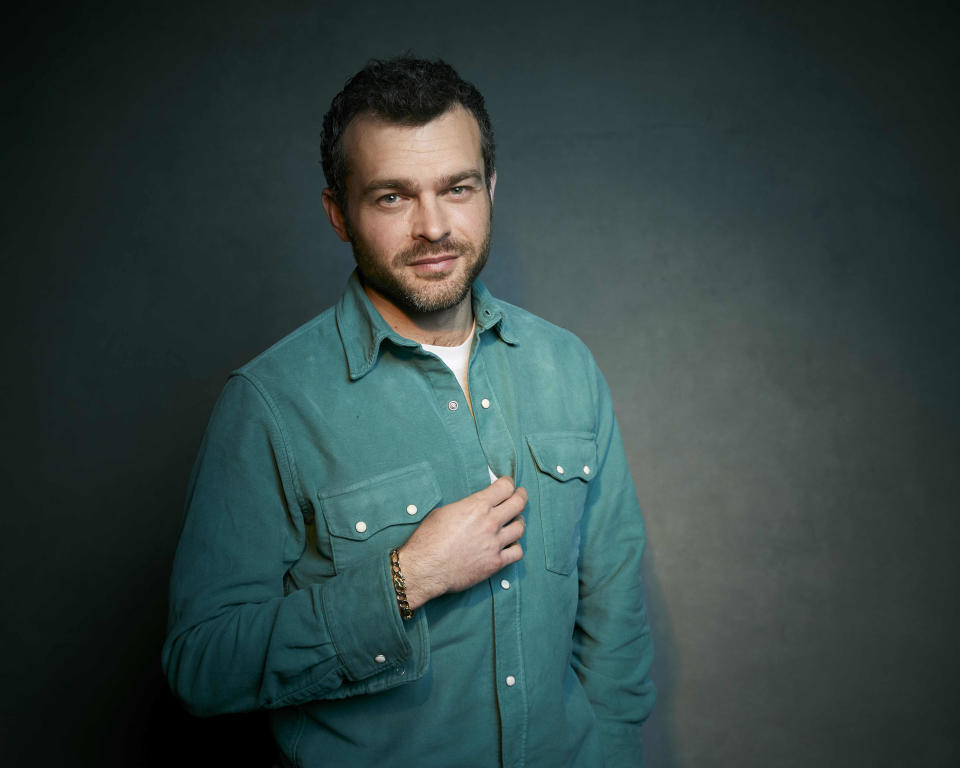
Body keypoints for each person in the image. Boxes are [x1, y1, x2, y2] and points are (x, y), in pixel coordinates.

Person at [162, 56, 655, 767]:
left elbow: (615, 617)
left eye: (456, 188)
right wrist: (405, 579)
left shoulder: (566, 366)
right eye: (392, 197)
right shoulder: (270, 404)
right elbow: (201, 666)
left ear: (490, 188)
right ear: (339, 213)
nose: (432, 227)